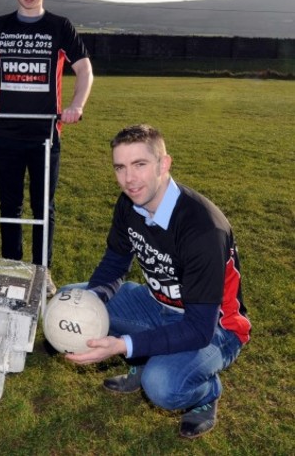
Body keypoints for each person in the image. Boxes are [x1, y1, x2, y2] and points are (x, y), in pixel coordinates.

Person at [64, 124, 251, 438]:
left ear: (164, 164)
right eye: (120, 168)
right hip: (155, 304)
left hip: (215, 327)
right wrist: (91, 301)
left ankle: (206, 393)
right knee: (73, 300)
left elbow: (198, 328)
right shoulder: (129, 204)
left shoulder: (202, 229)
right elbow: (114, 263)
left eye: (140, 165)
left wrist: (122, 345)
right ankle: (144, 356)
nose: (129, 179)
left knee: (162, 385)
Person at [0, 0, 93, 291]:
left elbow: (84, 70)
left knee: (43, 207)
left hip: (46, 134)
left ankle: (41, 271)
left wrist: (76, 105)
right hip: (5, 132)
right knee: (8, 206)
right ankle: (11, 268)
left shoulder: (59, 27)